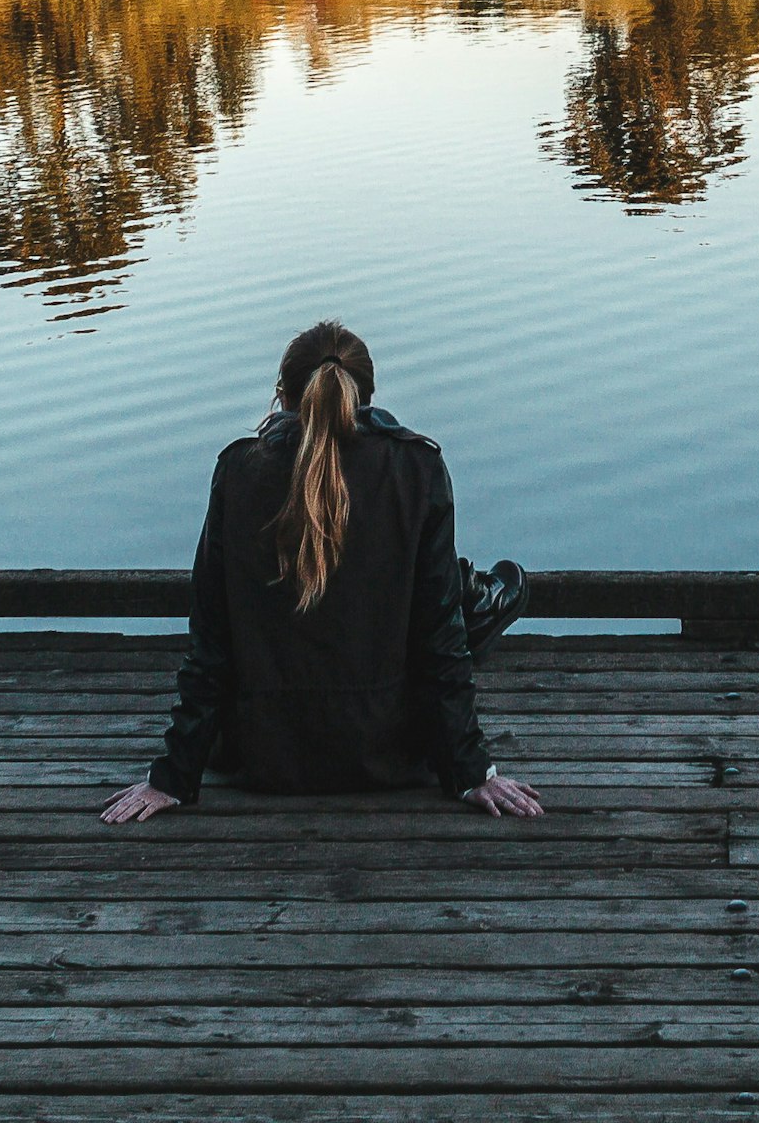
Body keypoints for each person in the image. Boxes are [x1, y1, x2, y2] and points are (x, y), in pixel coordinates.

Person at [100, 320, 544, 824]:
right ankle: (481, 601)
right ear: (367, 397)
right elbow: (439, 638)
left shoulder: (239, 470)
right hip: (388, 756)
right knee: (456, 606)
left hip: (263, 760)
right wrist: (472, 772)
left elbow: (211, 641)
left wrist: (173, 778)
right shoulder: (417, 467)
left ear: (282, 397)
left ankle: (475, 600)